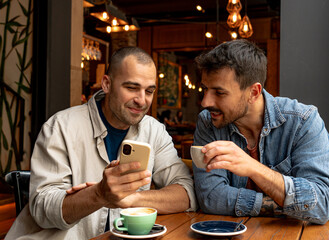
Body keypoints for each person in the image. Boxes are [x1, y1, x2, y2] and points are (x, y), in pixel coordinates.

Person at [6, 47, 196, 239]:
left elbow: (186, 193)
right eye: (131, 88)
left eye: (149, 91)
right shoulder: (61, 127)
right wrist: (99, 195)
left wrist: (132, 198)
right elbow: (42, 211)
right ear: (106, 84)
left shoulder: (154, 130)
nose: (142, 100)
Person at [192, 39, 329, 224]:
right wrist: (289, 206)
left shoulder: (303, 121)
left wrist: (253, 168)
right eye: (205, 89)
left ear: (253, 92)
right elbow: (212, 198)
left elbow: (322, 203)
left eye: (219, 93)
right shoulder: (208, 122)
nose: (205, 102)